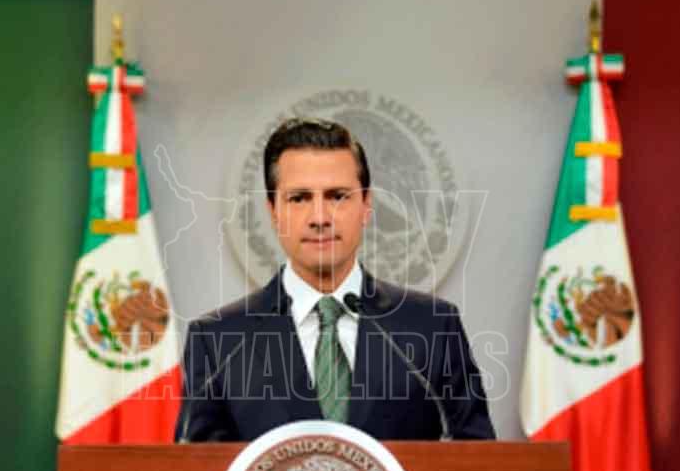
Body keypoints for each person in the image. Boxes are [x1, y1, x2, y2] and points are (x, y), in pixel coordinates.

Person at [176, 117, 495, 444]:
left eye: (338, 196)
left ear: (366, 205)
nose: (319, 218)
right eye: (299, 198)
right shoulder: (217, 340)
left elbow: (477, 462)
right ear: (273, 211)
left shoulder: (434, 327)